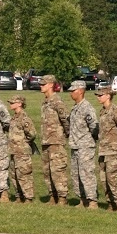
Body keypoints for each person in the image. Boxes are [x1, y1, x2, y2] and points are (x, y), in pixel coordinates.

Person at [95, 85, 117, 212]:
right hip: (103, 150)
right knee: (104, 178)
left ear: (108, 96)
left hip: (114, 150)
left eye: (100, 95)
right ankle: (111, 203)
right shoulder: (102, 111)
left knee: (113, 178)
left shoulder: (116, 111)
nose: (98, 97)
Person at [68, 80, 99, 208]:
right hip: (75, 145)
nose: (71, 93)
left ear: (80, 91)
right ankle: (82, 199)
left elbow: (94, 127)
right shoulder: (75, 108)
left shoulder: (87, 108)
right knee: (76, 174)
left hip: (85, 146)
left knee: (87, 174)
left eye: (73, 91)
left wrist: (88, 140)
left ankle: (92, 201)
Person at [40, 75, 70, 205]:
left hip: (56, 141)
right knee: (47, 171)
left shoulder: (57, 101)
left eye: (43, 84)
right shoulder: (45, 102)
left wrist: (66, 134)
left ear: (51, 85)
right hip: (46, 141)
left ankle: (62, 197)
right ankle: (52, 195)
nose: (41, 86)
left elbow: (66, 119)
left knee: (57, 170)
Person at [7, 95, 37, 203]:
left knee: (24, 175)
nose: (10, 104)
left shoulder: (24, 118)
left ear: (19, 103)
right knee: (14, 175)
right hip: (13, 151)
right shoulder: (14, 117)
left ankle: (28, 197)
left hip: (22, 152)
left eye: (12, 102)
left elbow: (32, 134)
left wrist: (24, 143)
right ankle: (19, 196)